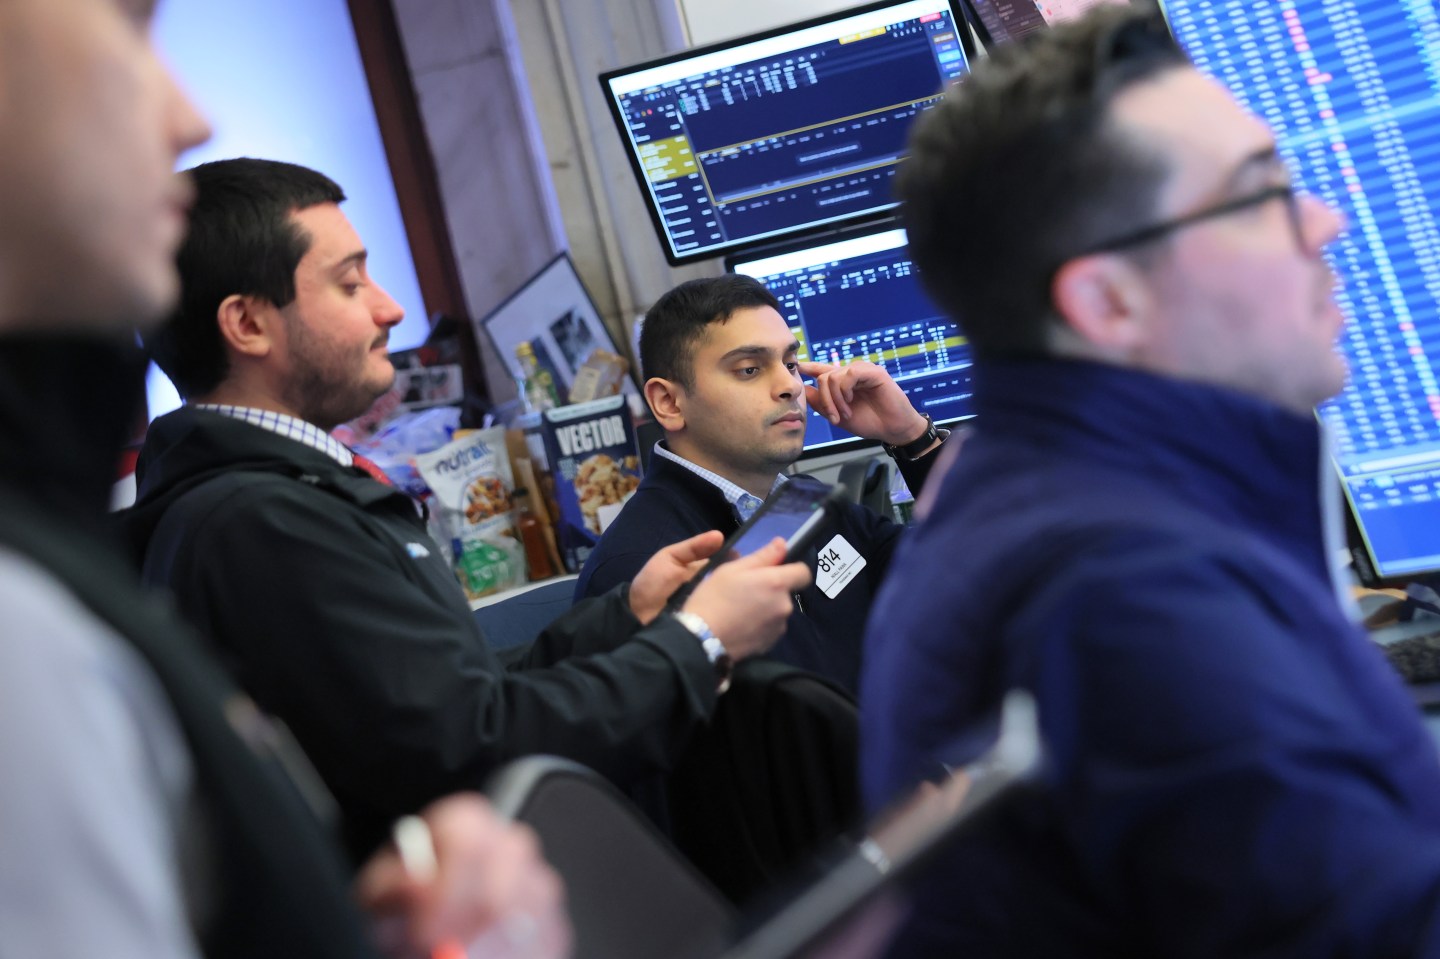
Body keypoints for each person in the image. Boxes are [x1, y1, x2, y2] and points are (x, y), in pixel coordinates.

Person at [860, 5, 1440, 955]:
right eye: (1261, 194)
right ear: (1108, 301)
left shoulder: (1031, 494)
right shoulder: (1128, 600)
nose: (1325, 221)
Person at [0, 2, 566, 958]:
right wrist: (695, 643)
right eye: (128, 35)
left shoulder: (60, 528)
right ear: (246, 324)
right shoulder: (208, 534)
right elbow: (461, 735)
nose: (188, 118)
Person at [123, 156, 811, 862]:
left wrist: (625, 615)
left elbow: (450, 697)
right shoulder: (264, 523)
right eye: (350, 284)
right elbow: (470, 749)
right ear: (247, 324)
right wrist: (699, 641)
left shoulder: (283, 492)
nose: (390, 309)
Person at [576, 274, 949, 694]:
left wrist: (913, 437)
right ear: (669, 402)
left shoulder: (806, 502)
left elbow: (961, 572)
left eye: (790, 364)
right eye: (749, 369)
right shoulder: (638, 570)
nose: (790, 385)